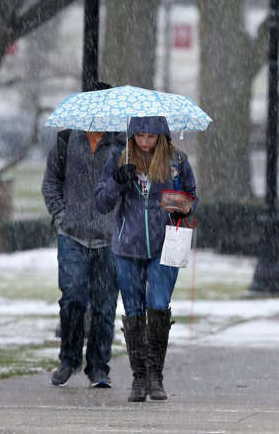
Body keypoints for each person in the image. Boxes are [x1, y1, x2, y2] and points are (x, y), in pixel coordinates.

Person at [95, 116, 197, 402]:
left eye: (151, 136)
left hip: (166, 244)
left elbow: (192, 195)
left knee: (158, 304)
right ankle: (138, 377)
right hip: (127, 245)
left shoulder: (177, 160)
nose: (144, 141)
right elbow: (101, 203)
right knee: (134, 309)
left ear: (161, 136)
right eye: (139, 135)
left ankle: (156, 376)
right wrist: (117, 182)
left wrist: (182, 207)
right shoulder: (119, 157)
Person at [41, 82, 123, 389]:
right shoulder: (65, 140)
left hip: (109, 239)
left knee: (104, 306)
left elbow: (131, 189)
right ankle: (69, 360)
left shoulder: (122, 145)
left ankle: (99, 367)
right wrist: (63, 216)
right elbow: (50, 184)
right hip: (72, 236)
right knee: (72, 298)